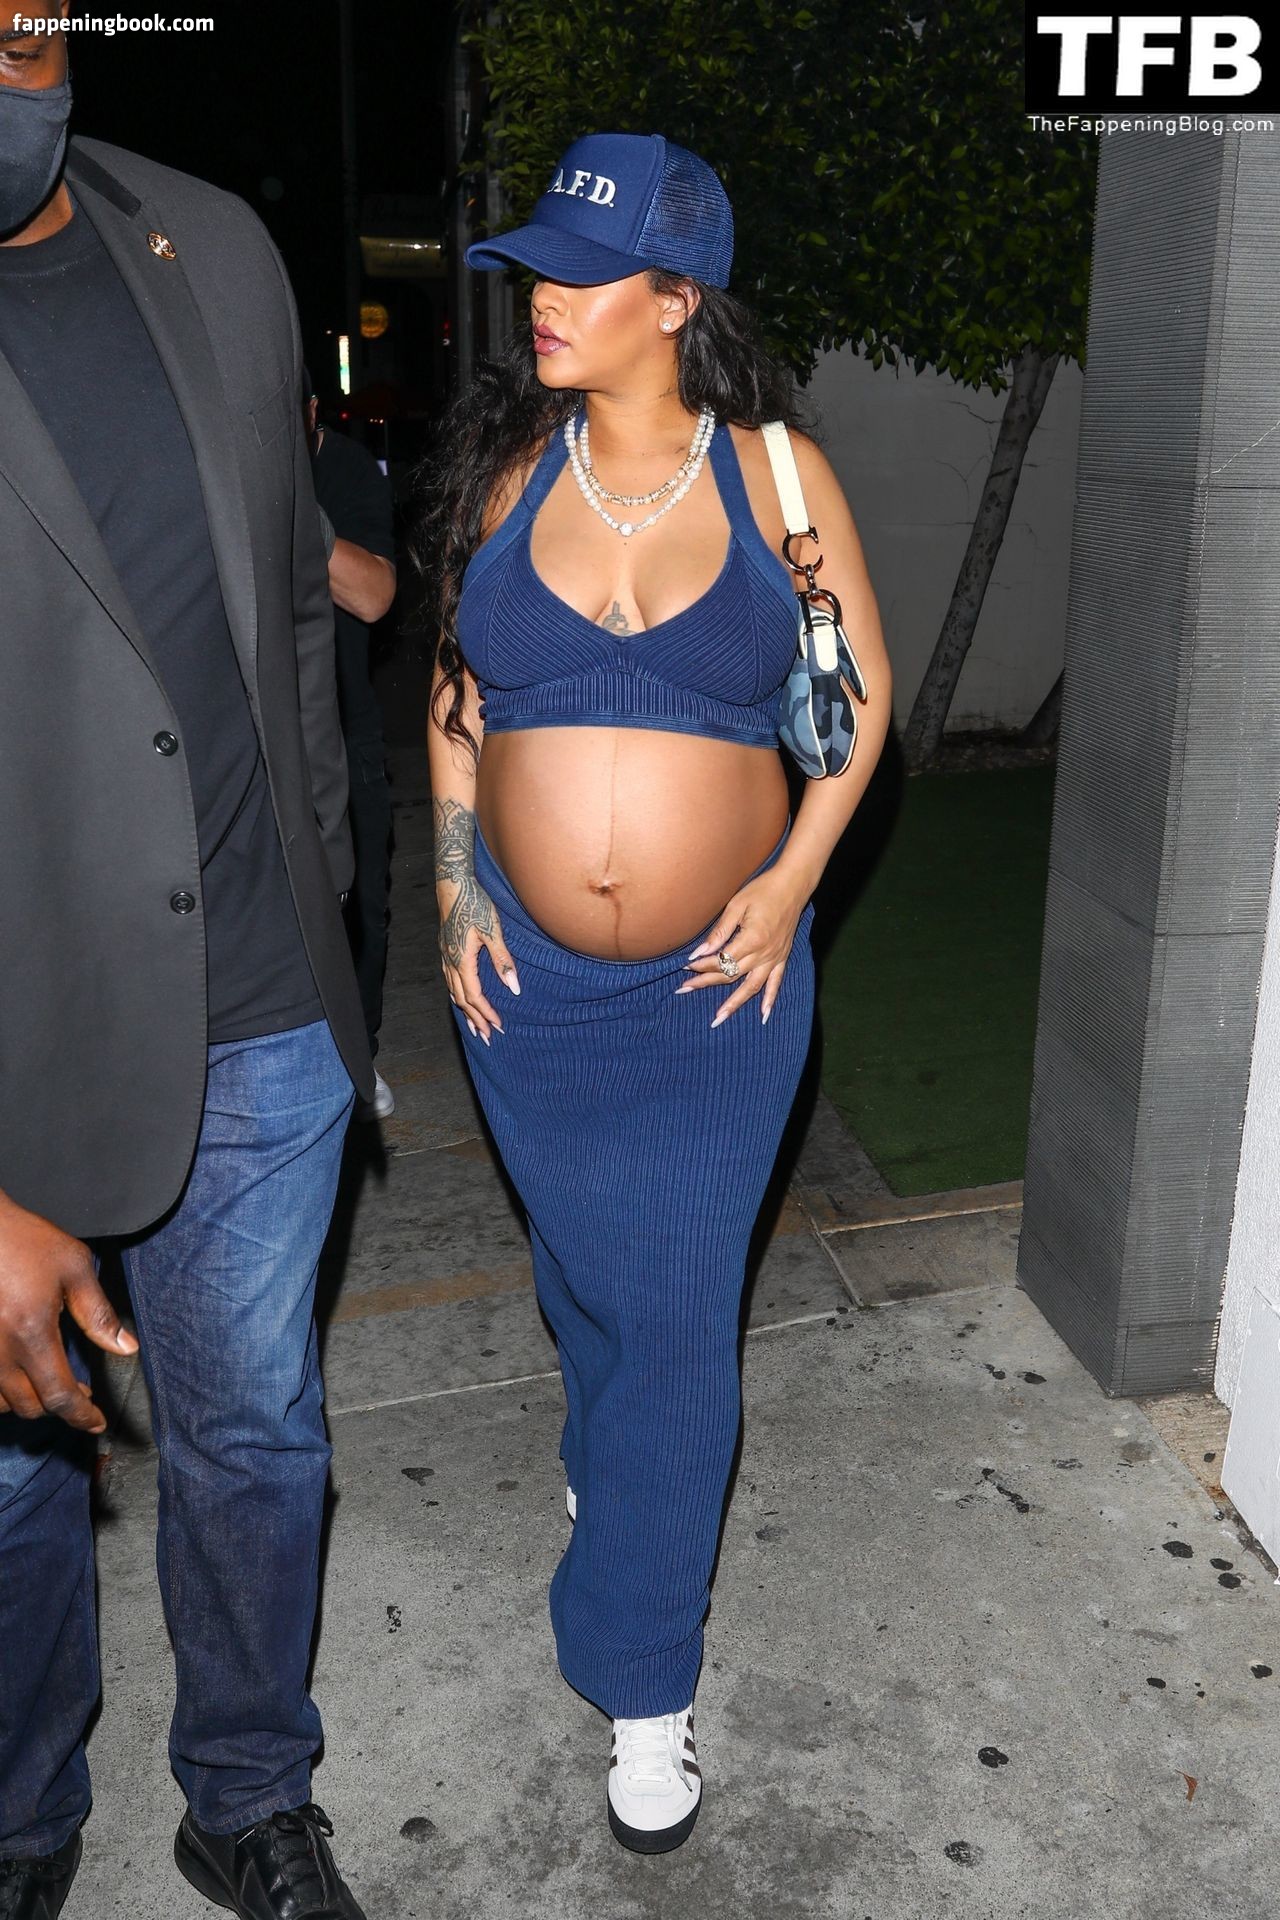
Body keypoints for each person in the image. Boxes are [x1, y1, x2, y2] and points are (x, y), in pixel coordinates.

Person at [419, 131, 892, 1854]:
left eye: (579, 273)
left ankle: (643, 1680)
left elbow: (858, 704)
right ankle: (609, 1454)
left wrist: (788, 883)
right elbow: (459, 707)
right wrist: (454, 891)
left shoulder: (776, 477)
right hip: (530, 995)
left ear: (676, 299)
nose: (541, 301)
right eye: (535, 271)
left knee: (678, 1311)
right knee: (590, 1279)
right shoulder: (507, 474)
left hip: (716, 995)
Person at [0, 10, 374, 1917]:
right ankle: (17, 1814)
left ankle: (247, 1794)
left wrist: (327, 918)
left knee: (255, 1440)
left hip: (260, 1010)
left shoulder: (213, 245)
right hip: (15, 1049)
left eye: (26, 33)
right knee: (8, 1484)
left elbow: (293, 605)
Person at [305, 375, 399, 1121]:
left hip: (342, 727)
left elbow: (373, 595)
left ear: (311, 412)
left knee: (362, 905)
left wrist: (286, 507)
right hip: (249, 734)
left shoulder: (343, 469)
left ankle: (357, 1064)